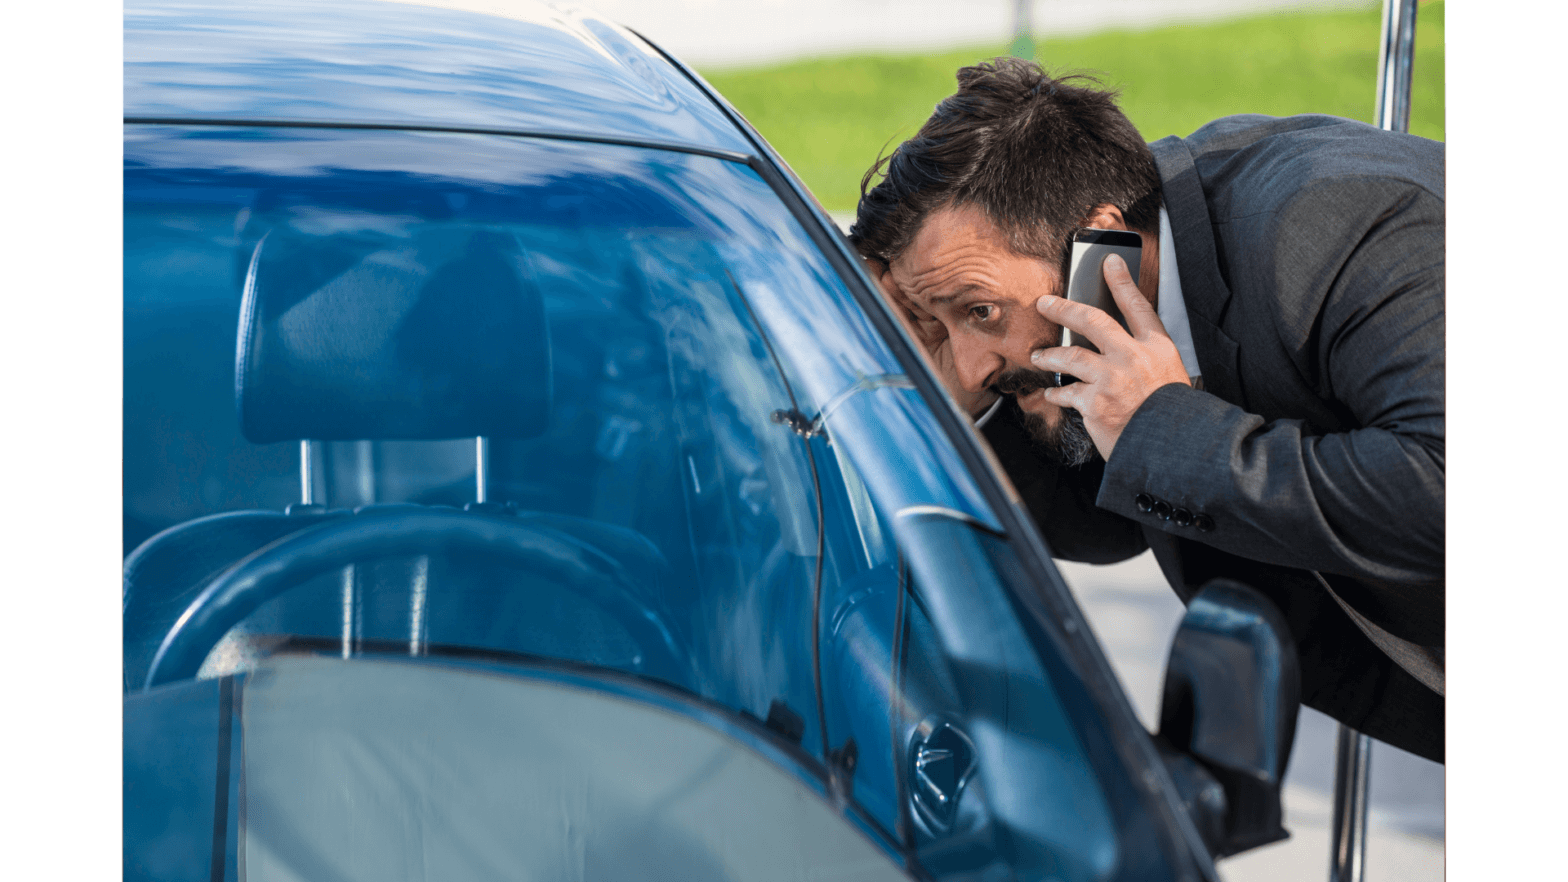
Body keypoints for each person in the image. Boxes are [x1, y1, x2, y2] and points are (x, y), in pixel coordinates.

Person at [849, 58, 1444, 763]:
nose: (974, 361)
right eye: (940, 321)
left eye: (979, 310)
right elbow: (1104, 525)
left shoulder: (1339, 228)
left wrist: (1163, 428)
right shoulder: (1119, 297)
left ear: (1103, 243)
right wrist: (937, 382)